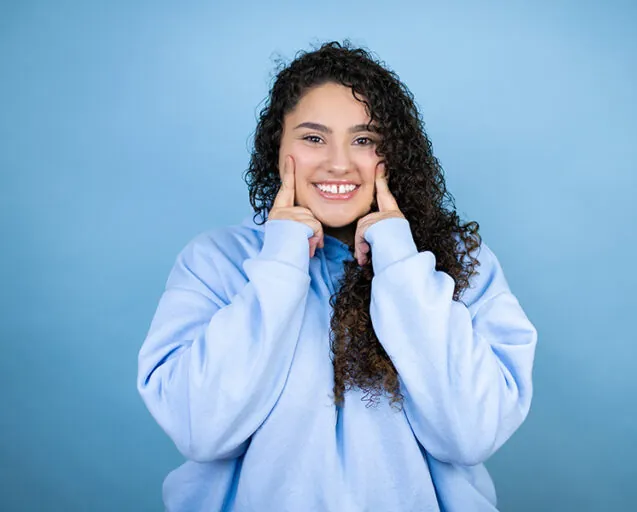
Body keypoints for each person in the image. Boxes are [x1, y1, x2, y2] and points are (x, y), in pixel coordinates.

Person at [137, 40, 538, 512]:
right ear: (277, 147)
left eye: (364, 140)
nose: (339, 163)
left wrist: (400, 263)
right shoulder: (214, 262)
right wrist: (282, 261)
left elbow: (471, 434)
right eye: (313, 138)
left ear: (394, 154)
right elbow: (200, 430)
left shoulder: (463, 262)